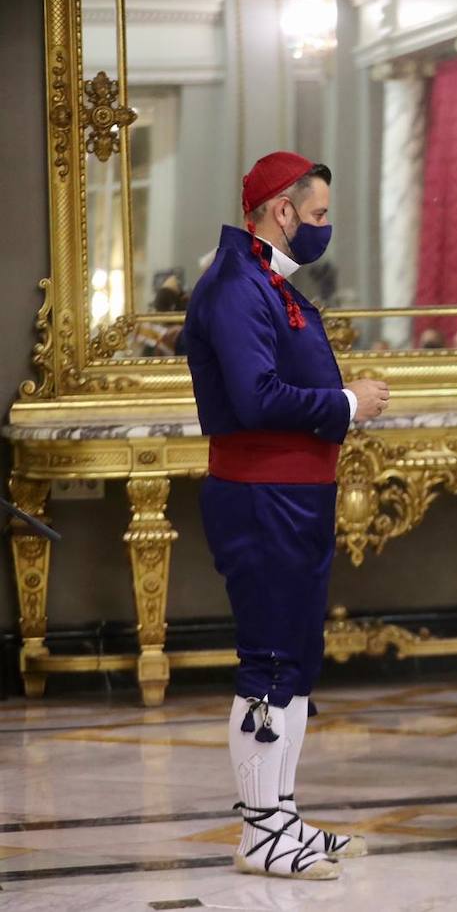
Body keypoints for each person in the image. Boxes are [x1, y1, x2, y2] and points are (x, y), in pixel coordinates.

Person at [183, 151, 389, 880]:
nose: (324, 227)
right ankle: (261, 831)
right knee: (269, 663)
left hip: (295, 494)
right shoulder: (237, 286)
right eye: (320, 214)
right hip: (260, 496)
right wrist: (346, 403)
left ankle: (284, 818)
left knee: (296, 663)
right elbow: (255, 398)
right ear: (282, 210)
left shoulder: (267, 282)